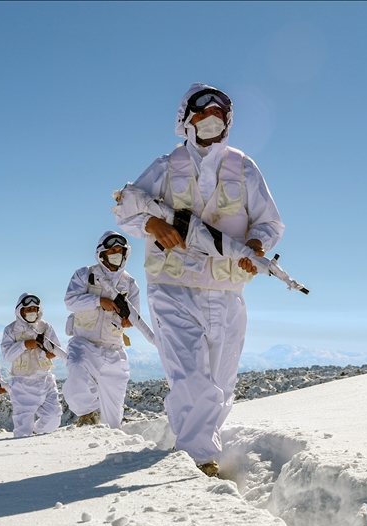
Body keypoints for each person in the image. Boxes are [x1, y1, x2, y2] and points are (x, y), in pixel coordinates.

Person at [113, 83, 284, 477]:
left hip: (226, 291)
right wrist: (153, 223)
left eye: (218, 115)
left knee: (220, 384)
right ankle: (198, 460)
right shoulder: (165, 166)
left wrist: (255, 244)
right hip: (172, 288)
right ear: (184, 120)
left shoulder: (245, 168)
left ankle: (195, 438)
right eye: (201, 113)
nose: (210, 120)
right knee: (190, 375)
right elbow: (125, 209)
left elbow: (269, 222)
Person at [62, 231, 141, 429]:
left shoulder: (130, 283)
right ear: (102, 253)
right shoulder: (85, 274)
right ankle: (87, 414)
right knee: (77, 367)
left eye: (119, 250)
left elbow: (135, 315)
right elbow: (70, 301)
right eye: (112, 250)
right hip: (84, 343)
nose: (116, 253)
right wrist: (98, 301)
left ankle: (111, 441)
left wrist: (127, 321)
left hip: (114, 348)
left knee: (114, 409)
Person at [0, 293, 65, 438]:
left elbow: (56, 347)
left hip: (45, 379)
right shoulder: (11, 330)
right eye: (28, 309)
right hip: (23, 382)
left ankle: (37, 431)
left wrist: (51, 354)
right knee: (23, 429)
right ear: (20, 310)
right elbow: (7, 355)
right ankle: (23, 455)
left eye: (34, 309)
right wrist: (24, 345)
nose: (31, 312)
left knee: (54, 418)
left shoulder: (46, 327)